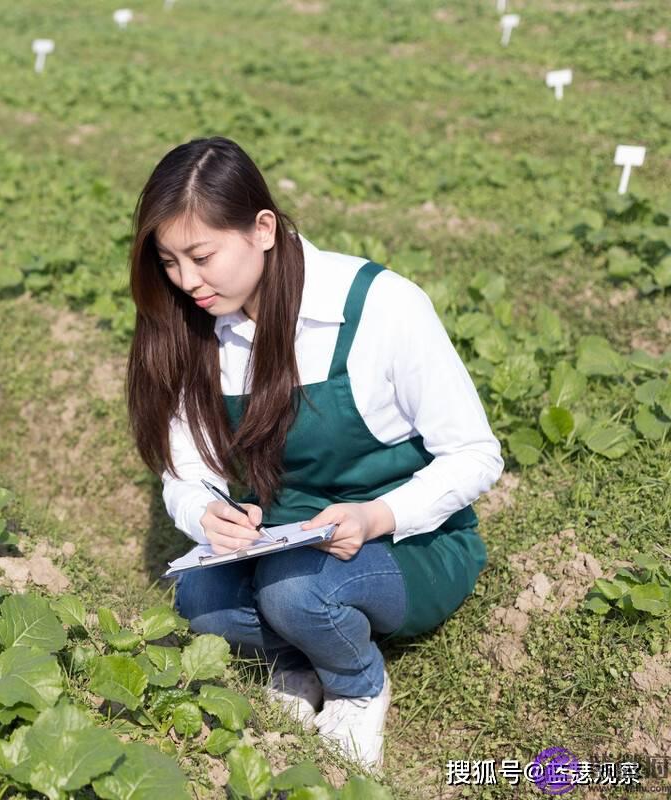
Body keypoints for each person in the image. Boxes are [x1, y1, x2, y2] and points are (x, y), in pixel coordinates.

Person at [124, 136, 504, 772]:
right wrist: (203, 512)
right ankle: (297, 666)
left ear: (263, 229)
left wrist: (374, 517)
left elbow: (475, 454)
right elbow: (186, 468)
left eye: (202, 256)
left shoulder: (379, 308)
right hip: (289, 538)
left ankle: (358, 685)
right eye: (169, 261)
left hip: (407, 541)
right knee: (201, 600)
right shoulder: (192, 324)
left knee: (294, 593)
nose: (186, 281)